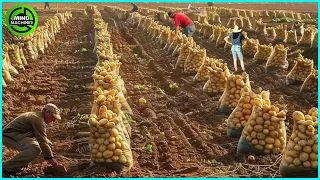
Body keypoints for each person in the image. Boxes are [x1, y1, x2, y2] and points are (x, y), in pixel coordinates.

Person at [2, 103, 67, 177]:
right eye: (53, 117)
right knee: (35, 148)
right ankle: (6, 168)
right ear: (47, 112)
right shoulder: (38, 120)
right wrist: (55, 164)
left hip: (13, 135)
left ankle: (18, 164)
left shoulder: (36, 115)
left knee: (39, 144)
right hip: (8, 136)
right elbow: (42, 142)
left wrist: (50, 154)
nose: (54, 120)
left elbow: (42, 139)